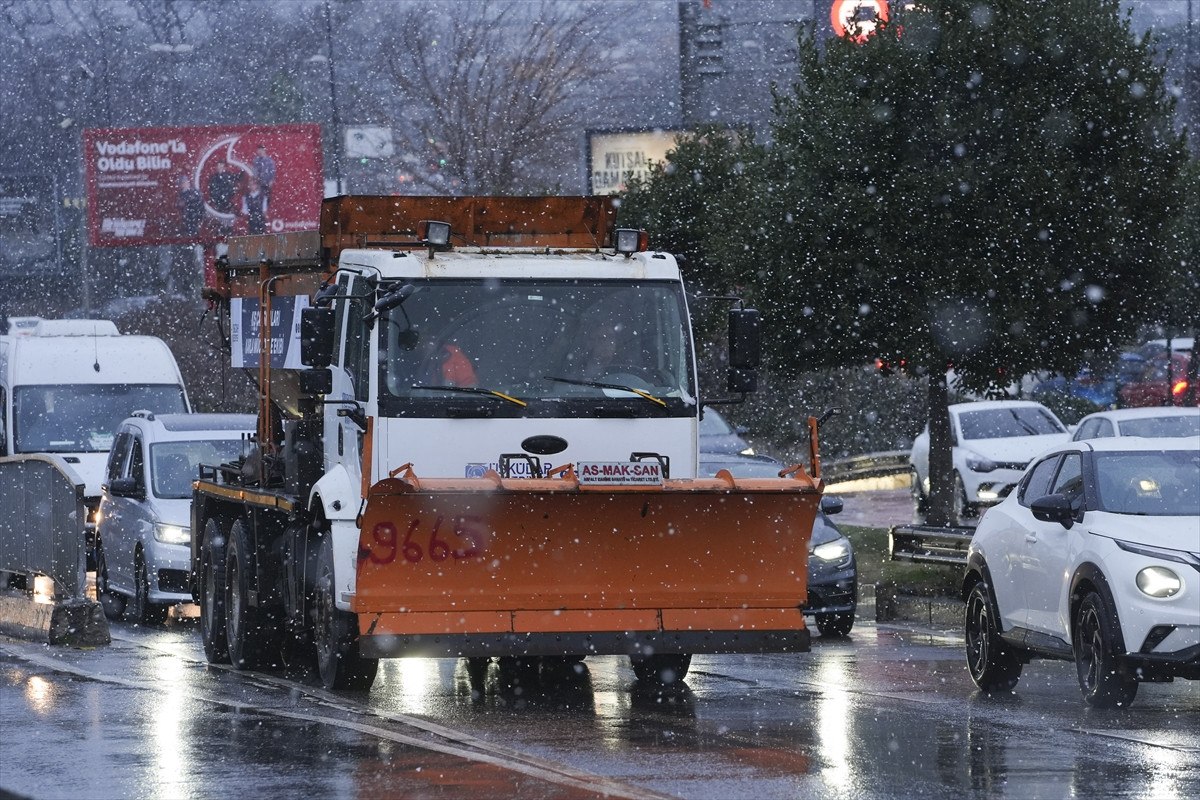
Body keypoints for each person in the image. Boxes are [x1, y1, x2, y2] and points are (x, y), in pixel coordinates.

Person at [206, 160, 241, 235]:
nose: (220, 167)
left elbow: (236, 181)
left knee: (227, 221)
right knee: (219, 221)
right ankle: (221, 235)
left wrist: (229, 196)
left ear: (224, 167)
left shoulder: (229, 175)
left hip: (227, 202)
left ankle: (227, 233)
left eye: (221, 165)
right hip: (218, 203)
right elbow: (211, 190)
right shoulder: (214, 178)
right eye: (218, 166)